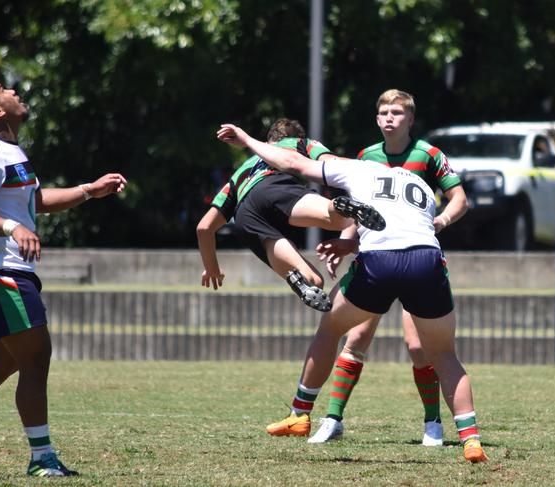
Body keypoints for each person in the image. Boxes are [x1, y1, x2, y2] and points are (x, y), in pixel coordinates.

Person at [216, 122, 487, 464]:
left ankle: (300, 413)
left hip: (379, 262)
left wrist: (245, 140)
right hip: (426, 260)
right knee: (445, 355)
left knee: (331, 329)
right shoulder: (418, 182)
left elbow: (294, 164)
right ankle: (471, 440)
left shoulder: (356, 168)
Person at [0, 78, 127, 477]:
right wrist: (14, 229)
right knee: (36, 359)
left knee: (2, 362)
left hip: (7, 273)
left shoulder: (12, 151)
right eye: (2, 89)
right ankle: (42, 458)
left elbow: (36, 201)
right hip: (1, 273)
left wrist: (88, 190)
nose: (13, 90)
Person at [308, 89, 468, 445]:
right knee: (356, 338)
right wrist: (348, 241)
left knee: (417, 347)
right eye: (384, 112)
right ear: (377, 118)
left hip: (414, 257)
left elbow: (460, 199)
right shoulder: (367, 156)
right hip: (376, 257)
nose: (390, 118)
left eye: (398, 112)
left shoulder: (428, 154)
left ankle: (433, 424)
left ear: (410, 119)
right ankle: (332, 419)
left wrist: (439, 222)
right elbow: (357, 207)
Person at [197, 118, 384, 312]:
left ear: (269, 139)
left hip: (245, 214)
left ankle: (301, 282)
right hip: (276, 187)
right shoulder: (299, 143)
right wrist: (372, 171)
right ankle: (337, 205)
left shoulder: (239, 174)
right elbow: (332, 163)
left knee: (313, 281)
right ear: (296, 136)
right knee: (340, 220)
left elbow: (204, 228)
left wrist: (212, 269)